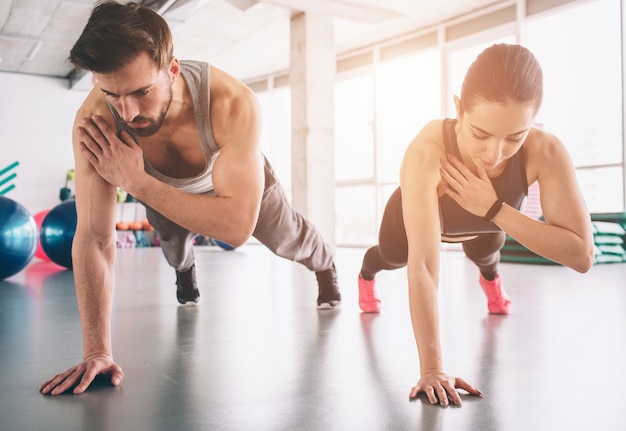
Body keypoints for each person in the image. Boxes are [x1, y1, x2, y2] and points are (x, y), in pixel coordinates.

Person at [40, 0, 340, 396]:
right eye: (113, 94)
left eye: (142, 92)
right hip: (157, 185)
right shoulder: (94, 122)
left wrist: (137, 182)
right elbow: (95, 237)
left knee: (286, 237)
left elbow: (234, 230)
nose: (128, 113)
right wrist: (97, 349)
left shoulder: (233, 103)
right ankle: (185, 270)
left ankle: (326, 265)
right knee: (174, 246)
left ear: (173, 69)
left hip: (232, 184)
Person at [357, 43, 594, 407]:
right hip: (415, 224)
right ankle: (366, 275)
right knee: (391, 256)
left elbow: (582, 256)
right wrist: (432, 368)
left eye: (515, 137)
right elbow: (423, 266)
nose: (495, 153)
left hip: (487, 220)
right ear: (458, 109)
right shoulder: (427, 148)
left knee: (487, 253)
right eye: (480, 134)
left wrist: (492, 207)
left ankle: (491, 282)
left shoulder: (546, 151)